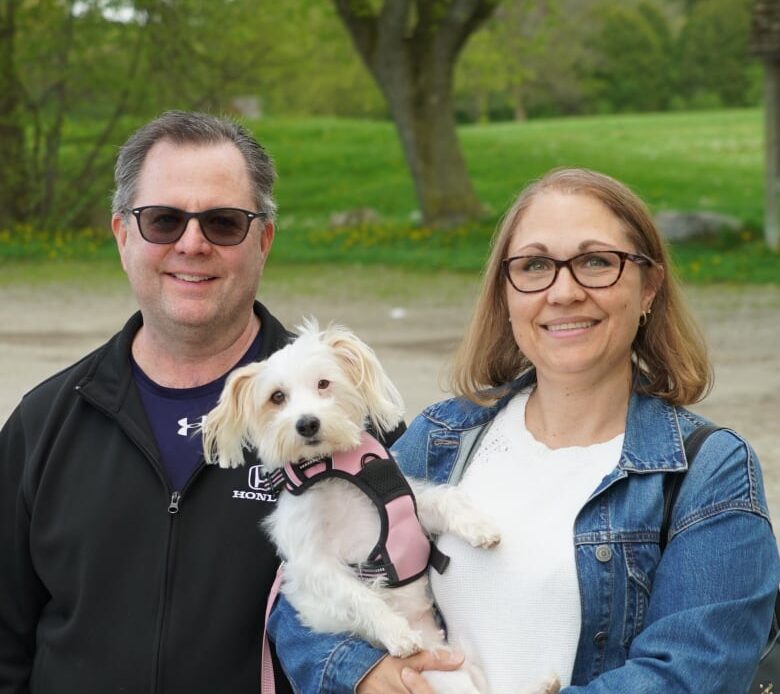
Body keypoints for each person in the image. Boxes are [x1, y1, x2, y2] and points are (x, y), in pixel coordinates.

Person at [268, 168, 780, 693]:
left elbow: (691, 674)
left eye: (596, 262)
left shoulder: (709, 472)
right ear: (506, 294)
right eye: (534, 266)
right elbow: (298, 598)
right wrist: (366, 673)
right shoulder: (442, 437)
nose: (563, 291)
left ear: (649, 287)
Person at [3, 111, 308, 693]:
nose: (192, 244)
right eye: (163, 220)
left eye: (223, 223)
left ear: (263, 240)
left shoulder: (344, 418)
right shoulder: (42, 425)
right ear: (122, 235)